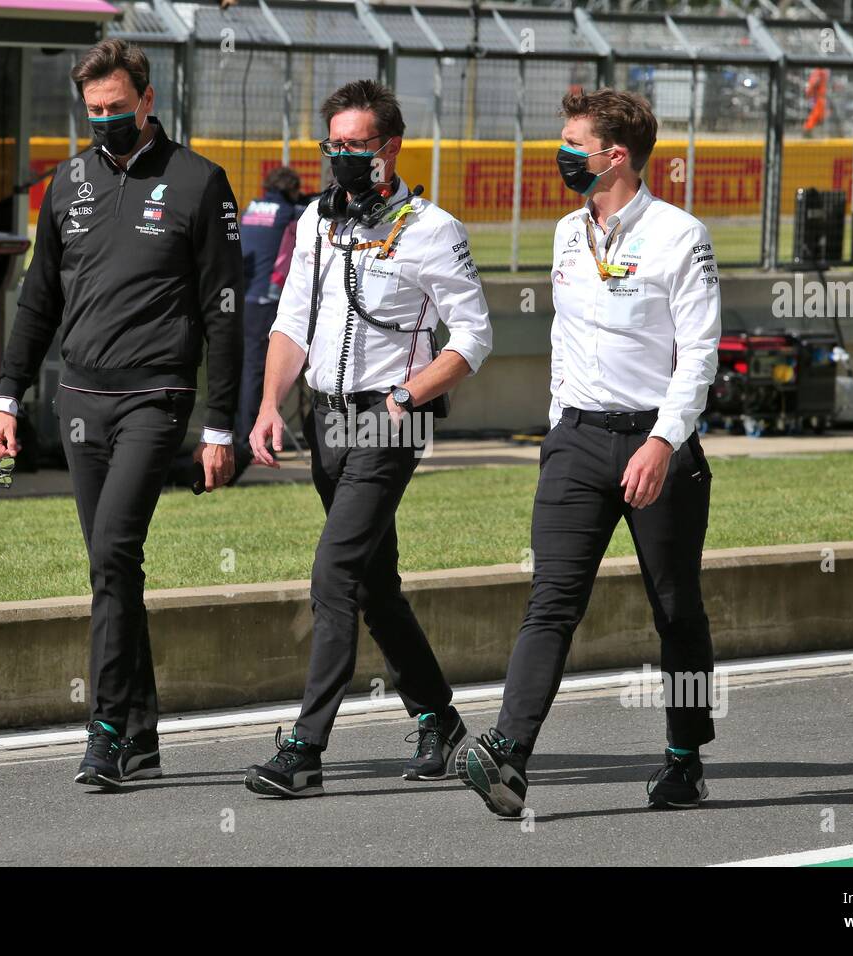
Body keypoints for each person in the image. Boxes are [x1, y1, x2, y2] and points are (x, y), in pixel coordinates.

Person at [0, 38, 243, 788]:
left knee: (112, 555)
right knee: (113, 570)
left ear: (148, 101)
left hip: (155, 398)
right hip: (79, 401)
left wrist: (219, 426)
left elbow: (224, 313)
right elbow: (38, 301)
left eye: (117, 110)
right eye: (92, 113)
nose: (105, 123)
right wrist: (8, 396)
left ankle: (103, 729)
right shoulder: (65, 184)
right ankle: (142, 732)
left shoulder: (200, 182)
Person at [457, 88, 722, 816]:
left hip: (655, 442)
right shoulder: (566, 233)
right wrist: (556, 429)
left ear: (617, 156)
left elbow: (699, 356)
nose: (563, 155)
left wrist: (663, 441)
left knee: (676, 608)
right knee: (550, 601)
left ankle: (683, 755)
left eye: (576, 143)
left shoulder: (680, 235)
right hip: (575, 439)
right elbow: (563, 341)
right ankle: (509, 755)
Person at [244, 79, 492, 798]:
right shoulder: (315, 225)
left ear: (392, 147)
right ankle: (439, 716)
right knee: (375, 585)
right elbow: (292, 322)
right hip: (324, 418)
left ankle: (305, 748)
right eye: (335, 146)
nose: (344, 158)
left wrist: (408, 395)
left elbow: (474, 337)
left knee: (334, 576)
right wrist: (268, 405)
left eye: (358, 145)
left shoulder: (432, 229)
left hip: (391, 419)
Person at [237, 166, 304, 443]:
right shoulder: (290, 213)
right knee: (255, 371)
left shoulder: (251, 208)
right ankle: (246, 439)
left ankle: (234, 435)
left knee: (242, 368)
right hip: (265, 301)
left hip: (240, 298)